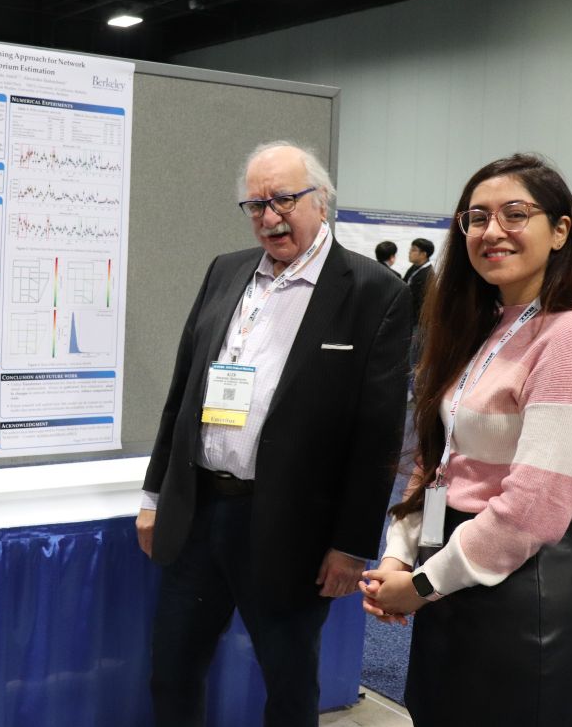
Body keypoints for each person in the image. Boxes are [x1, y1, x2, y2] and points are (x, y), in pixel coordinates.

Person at [136, 140, 412, 726]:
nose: (270, 217)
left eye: (284, 199)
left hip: (292, 528)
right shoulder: (227, 270)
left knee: (288, 684)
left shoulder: (372, 292)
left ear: (322, 200)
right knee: (173, 670)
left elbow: (376, 439)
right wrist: (154, 495)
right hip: (200, 513)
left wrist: (350, 544)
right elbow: (182, 395)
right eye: (256, 204)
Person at [360, 153, 572, 727]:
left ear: (559, 231)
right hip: (453, 576)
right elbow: (437, 458)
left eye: (514, 214)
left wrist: (420, 585)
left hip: (523, 594)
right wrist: (397, 558)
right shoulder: (484, 329)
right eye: (476, 218)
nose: (492, 231)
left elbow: (534, 508)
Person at [402, 237, 435, 324]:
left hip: (416, 321)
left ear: (423, 254)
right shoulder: (415, 267)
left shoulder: (428, 275)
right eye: (410, 249)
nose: (409, 252)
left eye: (413, 250)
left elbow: (423, 303)